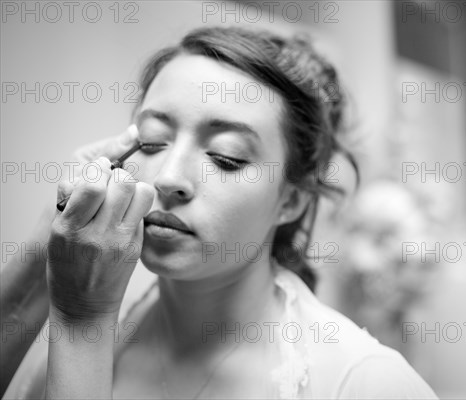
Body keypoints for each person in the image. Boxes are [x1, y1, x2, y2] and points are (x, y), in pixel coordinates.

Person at [1, 27, 438, 399]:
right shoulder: (78, 351)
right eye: (153, 142)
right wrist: (49, 247)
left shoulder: (367, 383)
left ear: (292, 200)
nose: (169, 176)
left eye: (226, 157)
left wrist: (83, 316)